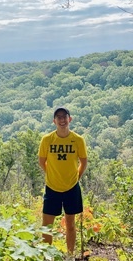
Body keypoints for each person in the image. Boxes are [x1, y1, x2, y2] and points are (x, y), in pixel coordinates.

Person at [38, 107, 87, 260]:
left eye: (64, 116)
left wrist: (75, 178)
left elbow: (83, 162)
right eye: (58, 117)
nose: (62, 120)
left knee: (71, 225)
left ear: (69, 119)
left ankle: (70, 256)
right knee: (47, 226)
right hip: (52, 188)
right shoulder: (47, 139)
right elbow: (41, 161)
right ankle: (47, 256)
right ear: (54, 121)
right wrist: (52, 175)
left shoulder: (78, 140)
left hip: (71, 188)